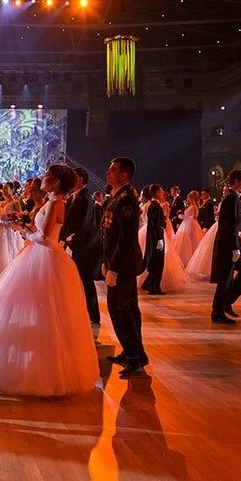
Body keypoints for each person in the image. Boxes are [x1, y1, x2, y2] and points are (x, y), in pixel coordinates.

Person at [0, 164, 99, 395]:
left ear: (57, 182)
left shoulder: (55, 203)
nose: (43, 179)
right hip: (42, 256)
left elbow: (45, 237)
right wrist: (24, 226)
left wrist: (22, 228)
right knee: (34, 308)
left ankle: (43, 369)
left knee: (40, 309)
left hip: (44, 257)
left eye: (48, 177)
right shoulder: (54, 202)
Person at [102, 157, 147, 377]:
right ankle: (131, 350)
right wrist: (106, 261)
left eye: (112, 170)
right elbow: (108, 233)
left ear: (124, 175)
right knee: (126, 309)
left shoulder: (127, 198)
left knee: (120, 309)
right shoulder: (117, 196)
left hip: (124, 265)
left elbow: (126, 238)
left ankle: (135, 356)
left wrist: (114, 268)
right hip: (117, 262)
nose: (107, 173)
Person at [59, 167, 103, 324]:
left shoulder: (85, 198)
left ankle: (93, 315)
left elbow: (85, 225)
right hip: (74, 244)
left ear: (81, 180)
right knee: (77, 280)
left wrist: (72, 243)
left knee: (86, 280)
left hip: (84, 247)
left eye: (74, 177)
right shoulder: (73, 197)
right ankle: (81, 311)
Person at [210, 169, 241, 324]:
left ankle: (226, 302)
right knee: (225, 278)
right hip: (229, 244)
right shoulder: (231, 198)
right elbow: (230, 225)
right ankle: (218, 311)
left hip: (235, 242)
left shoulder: (235, 198)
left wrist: (240, 245)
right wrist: (235, 247)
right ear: (236, 181)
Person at [141, 185, 166, 295]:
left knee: (155, 262)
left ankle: (148, 284)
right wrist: (160, 238)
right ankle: (154, 287)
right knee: (158, 262)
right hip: (156, 237)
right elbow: (156, 225)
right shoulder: (155, 206)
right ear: (156, 193)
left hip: (153, 237)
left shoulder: (153, 205)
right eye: (161, 191)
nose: (162, 192)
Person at [173, 190, 204, 266]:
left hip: (190, 225)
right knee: (185, 241)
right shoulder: (190, 206)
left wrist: (182, 216)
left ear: (192, 198)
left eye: (188, 197)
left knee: (190, 241)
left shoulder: (194, 207)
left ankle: (190, 260)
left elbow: (193, 217)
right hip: (186, 224)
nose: (187, 198)